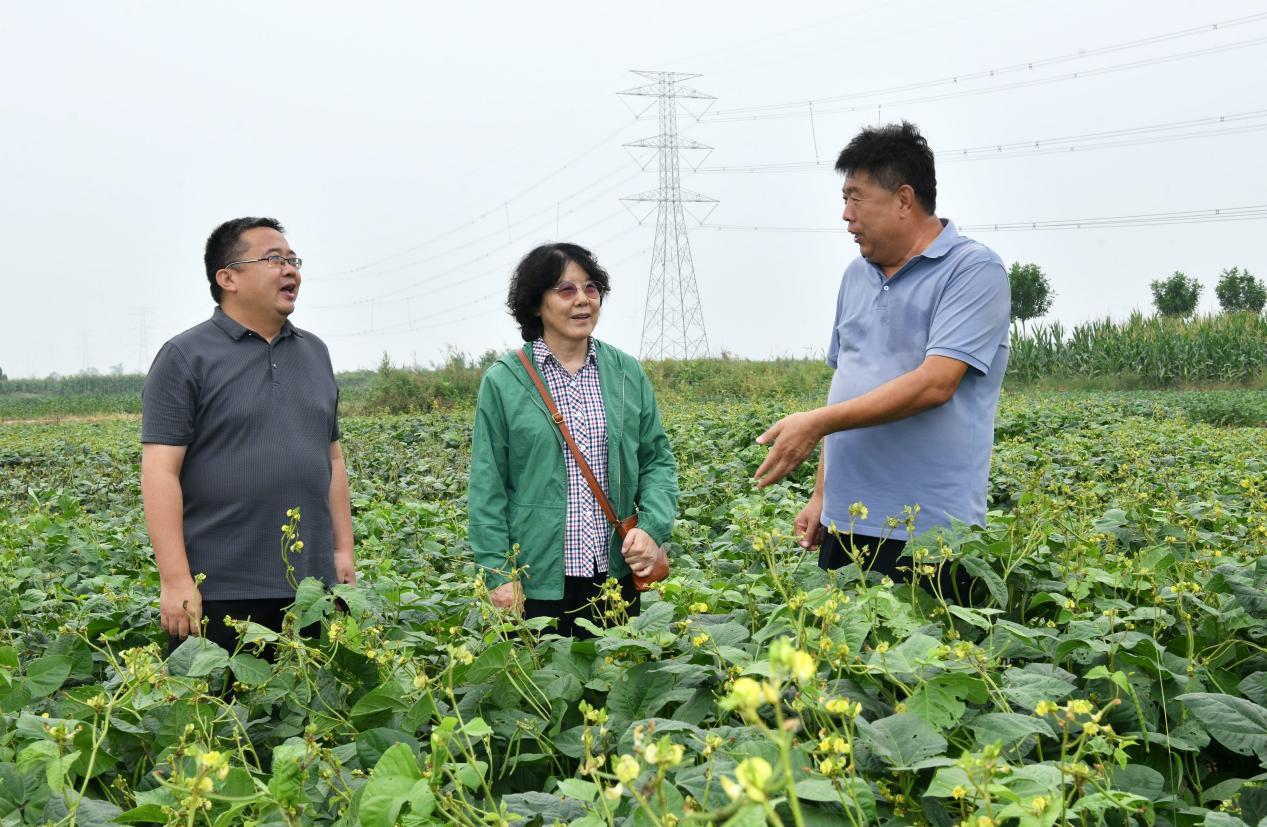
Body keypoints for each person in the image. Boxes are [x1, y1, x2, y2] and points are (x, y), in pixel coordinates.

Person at [753, 122, 1010, 595]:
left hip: (928, 530)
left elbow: (936, 383)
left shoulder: (973, 270)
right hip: (846, 520)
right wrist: (821, 494)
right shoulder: (856, 275)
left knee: (921, 663)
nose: (846, 215)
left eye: (856, 198)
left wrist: (815, 422)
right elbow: (847, 380)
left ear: (904, 200)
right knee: (843, 662)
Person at [141, 217, 354, 655]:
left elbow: (331, 458)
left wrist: (342, 551)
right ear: (228, 277)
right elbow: (160, 472)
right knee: (223, 720)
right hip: (220, 591)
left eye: (294, 260)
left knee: (314, 717)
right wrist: (176, 579)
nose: (291, 269)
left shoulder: (315, 352)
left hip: (312, 589)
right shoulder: (185, 357)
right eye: (274, 259)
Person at [468, 243, 678, 637]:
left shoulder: (626, 372)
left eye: (591, 288)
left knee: (611, 681)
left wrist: (652, 528)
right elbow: (487, 484)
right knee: (545, 689)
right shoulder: (504, 380)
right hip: (536, 580)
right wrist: (497, 571)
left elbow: (657, 461)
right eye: (566, 290)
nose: (583, 300)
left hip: (614, 572)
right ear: (536, 304)